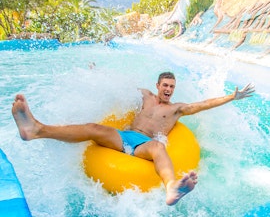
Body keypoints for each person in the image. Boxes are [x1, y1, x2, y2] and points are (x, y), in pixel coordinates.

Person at [11, 72, 255, 206]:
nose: (169, 89)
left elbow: (202, 104)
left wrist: (231, 97)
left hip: (143, 145)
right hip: (123, 137)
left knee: (159, 146)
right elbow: (115, 84)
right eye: (166, 85)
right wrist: (94, 73)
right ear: (157, 85)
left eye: (172, 86)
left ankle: (171, 188)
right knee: (93, 127)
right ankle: (36, 129)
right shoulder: (145, 96)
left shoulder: (177, 109)